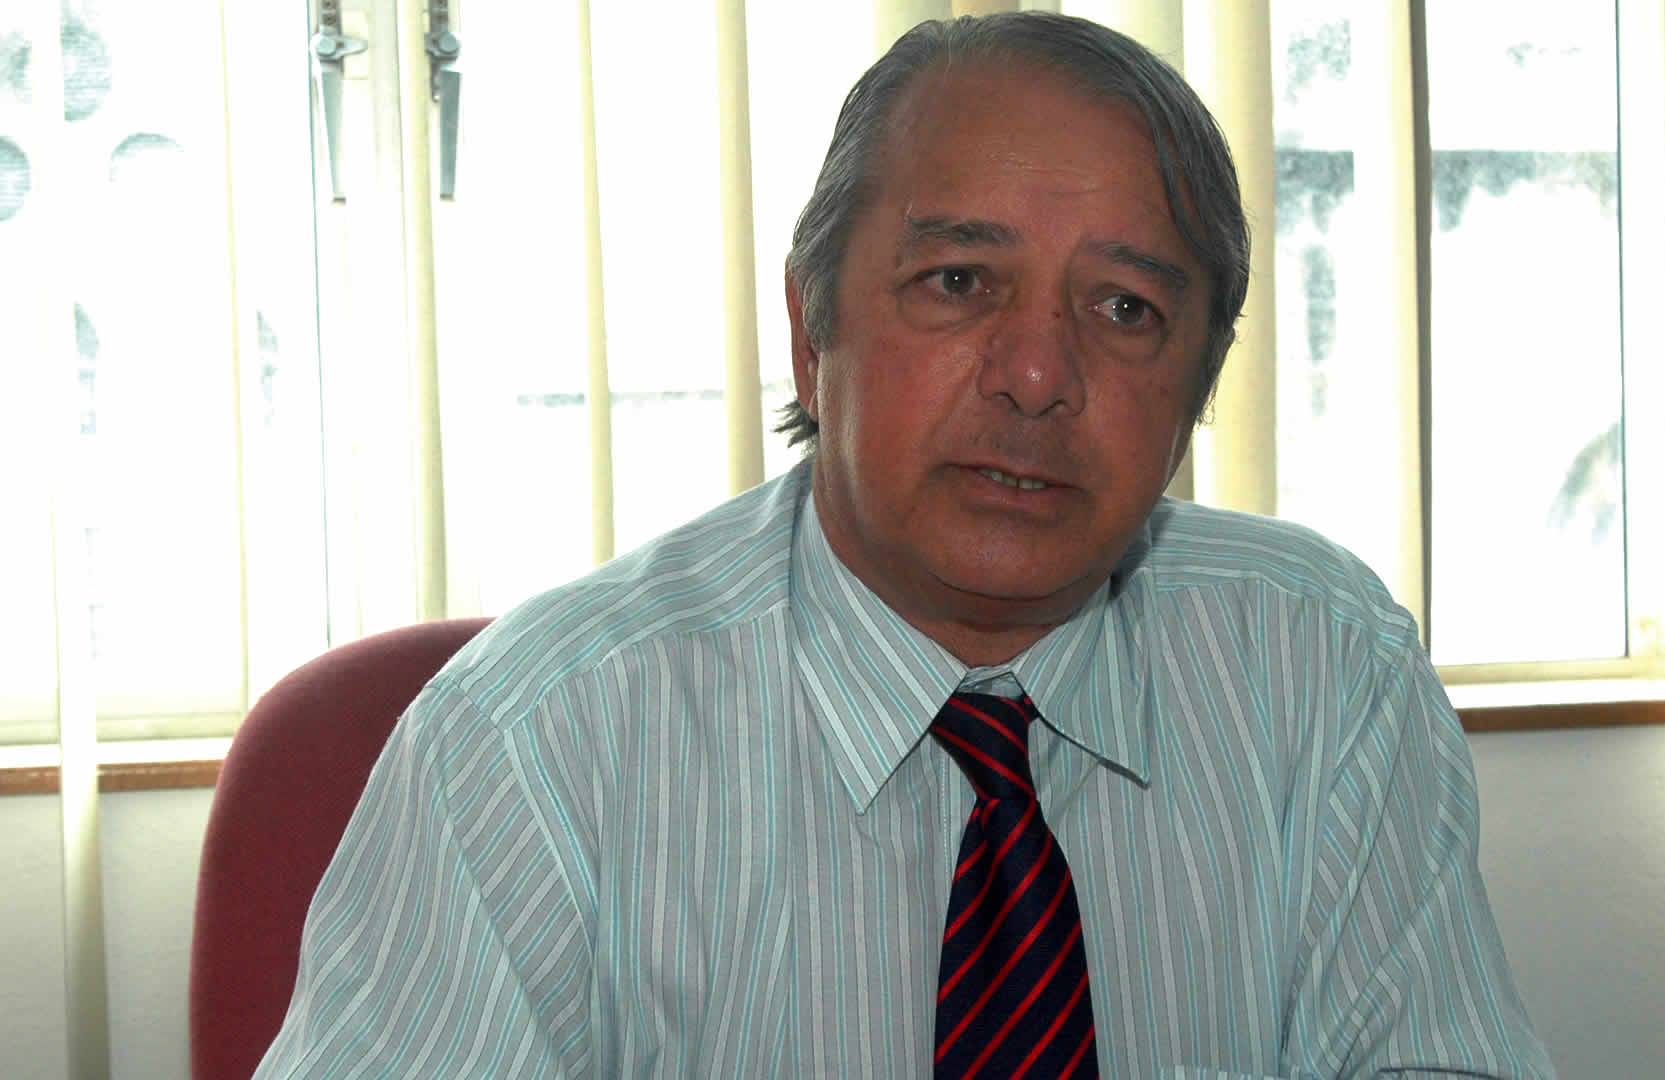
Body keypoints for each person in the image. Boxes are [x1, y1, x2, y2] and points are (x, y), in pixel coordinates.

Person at [258, 12, 1555, 1079]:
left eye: (1124, 308)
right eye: (958, 281)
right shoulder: (535, 743)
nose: (1039, 373)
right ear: (810, 335)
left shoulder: (1324, 669)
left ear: (1196, 388)